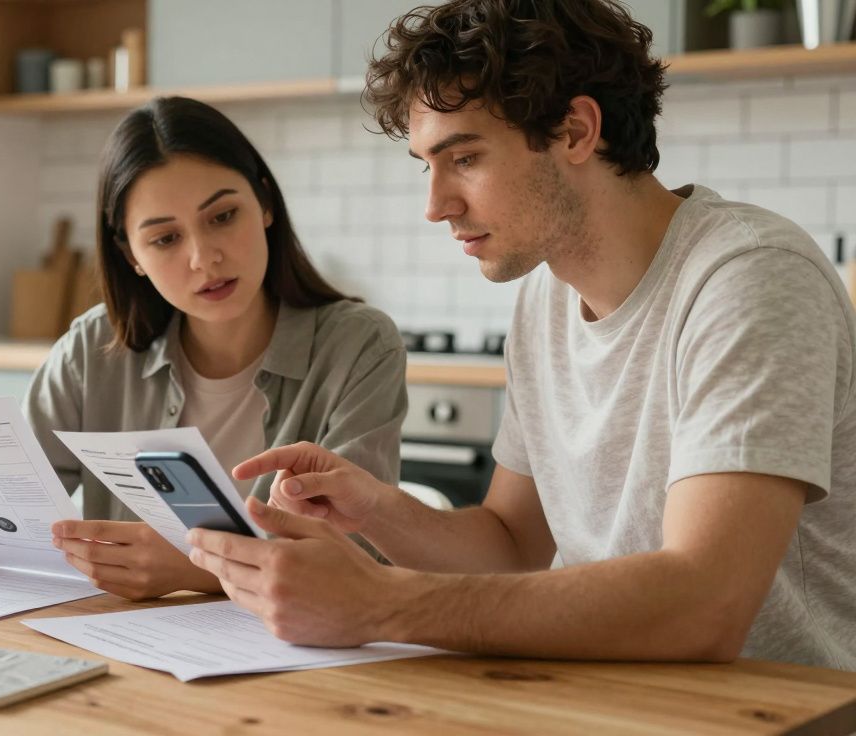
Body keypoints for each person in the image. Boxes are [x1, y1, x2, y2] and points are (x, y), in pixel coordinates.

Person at [186, 0, 856, 670]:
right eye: (429, 165)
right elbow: (512, 547)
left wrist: (381, 603)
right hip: (613, 698)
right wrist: (375, 510)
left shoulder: (750, 279)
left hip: (781, 711)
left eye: (466, 157)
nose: (435, 205)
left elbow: (705, 604)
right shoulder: (546, 296)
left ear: (575, 132)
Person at [0, 97, 409, 601]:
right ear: (131, 255)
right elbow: (0, 512)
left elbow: (361, 549)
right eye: (166, 238)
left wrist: (194, 568)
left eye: (222, 216)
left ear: (264, 203)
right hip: (121, 653)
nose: (204, 258)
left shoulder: (359, 345)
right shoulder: (92, 348)